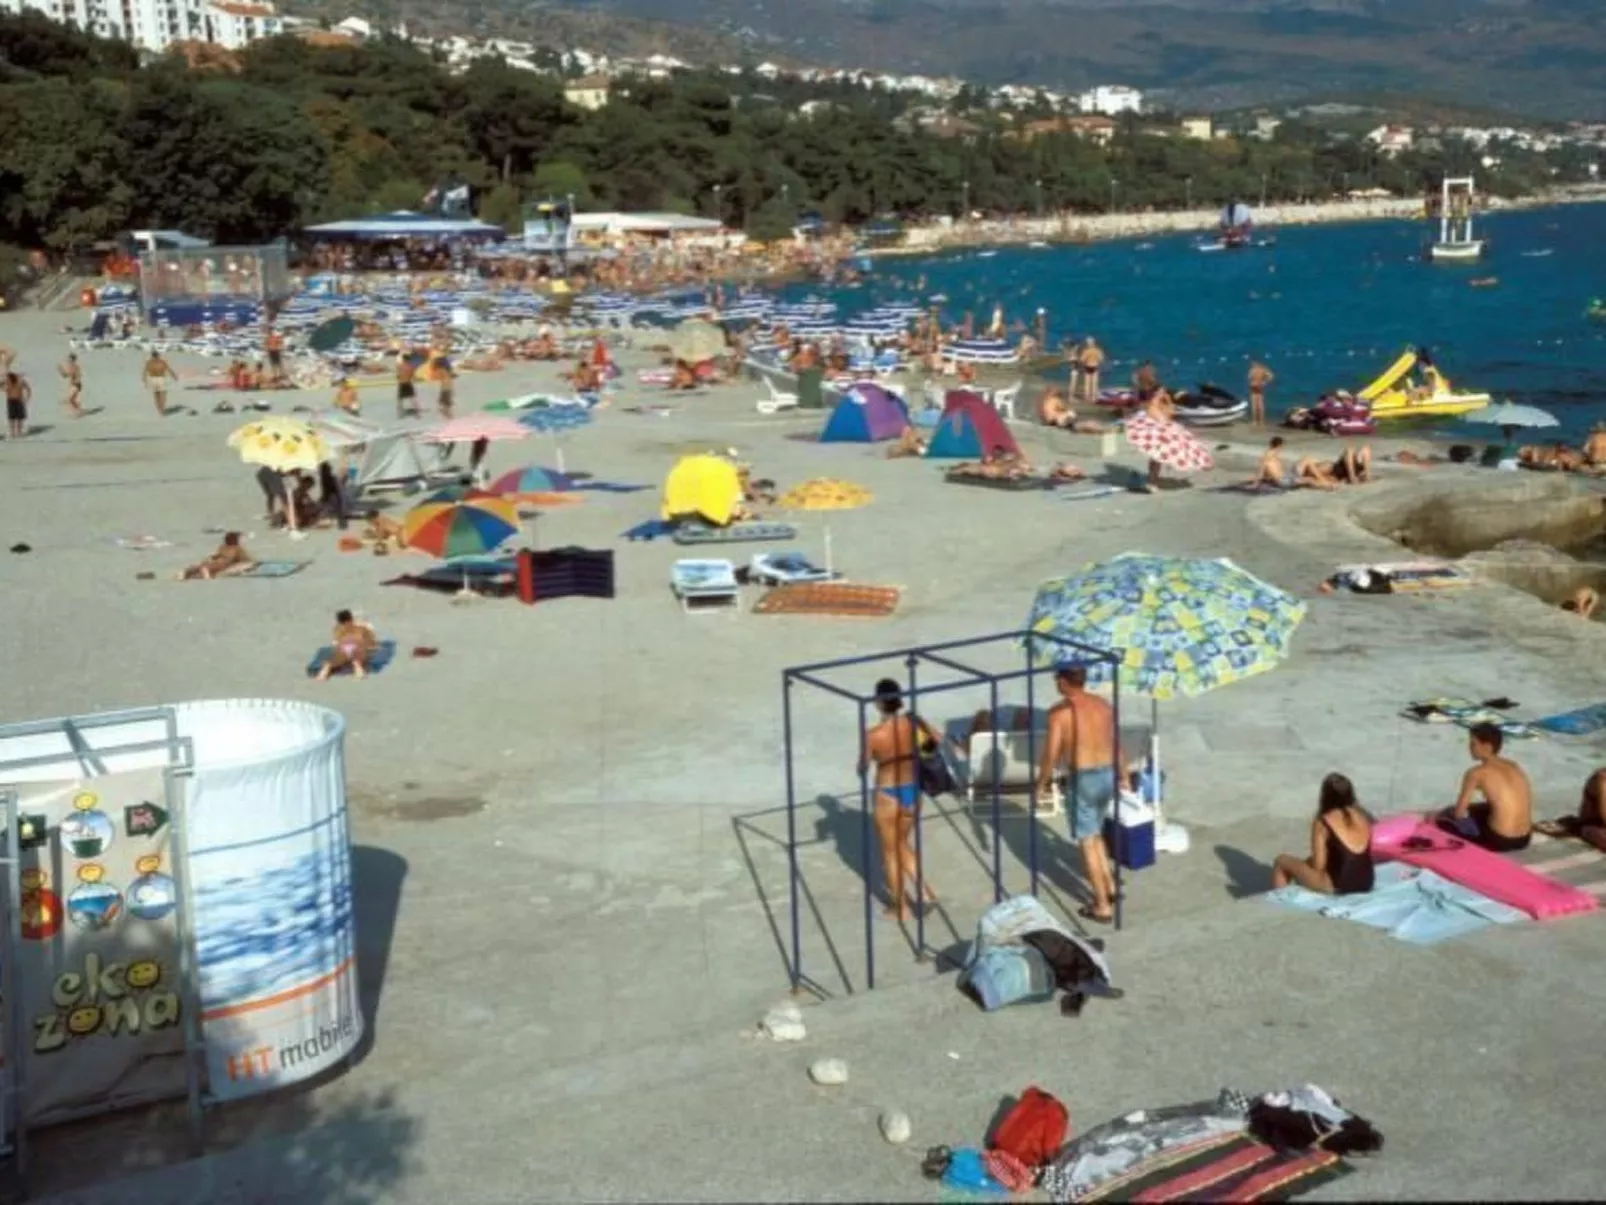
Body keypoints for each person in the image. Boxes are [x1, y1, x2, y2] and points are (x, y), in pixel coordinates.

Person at [1037, 664, 1124, 925]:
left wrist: (1041, 783)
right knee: (1096, 832)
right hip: (1107, 772)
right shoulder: (1103, 705)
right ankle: (1109, 887)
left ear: (1064, 682)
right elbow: (1114, 740)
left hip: (1084, 777)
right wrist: (1124, 774)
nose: (1055, 682)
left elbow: (1051, 753)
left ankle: (1101, 905)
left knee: (1086, 839)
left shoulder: (1060, 713)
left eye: (1056, 678)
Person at [858, 679, 940, 922]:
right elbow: (934, 744)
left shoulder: (873, 734)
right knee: (902, 843)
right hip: (912, 790)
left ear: (879, 702)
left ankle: (900, 907)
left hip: (888, 792)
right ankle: (924, 891)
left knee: (890, 851)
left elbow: (863, 765)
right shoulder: (913, 724)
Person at [1433, 722, 1533, 852]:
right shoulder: (1513, 765)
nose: (1469, 747)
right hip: (1524, 838)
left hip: (1501, 840)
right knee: (1488, 807)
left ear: (1487, 746)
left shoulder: (1476, 773)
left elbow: (1459, 813)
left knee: (1445, 818)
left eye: (1473, 743)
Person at [1271, 773, 1375, 895]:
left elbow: (1318, 866)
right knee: (1307, 863)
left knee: (1282, 861)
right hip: (1366, 882)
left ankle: (1281, 906)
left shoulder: (1323, 821)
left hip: (1339, 885)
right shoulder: (1362, 816)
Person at [316, 609, 379, 681]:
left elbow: (336, 642)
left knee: (330, 664)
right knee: (357, 661)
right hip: (357, 647)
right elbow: (372, 643)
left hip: (345, 648)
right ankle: (359, 672)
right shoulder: (362, 627)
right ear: (351, 618)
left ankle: (322, 676)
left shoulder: (338, 628)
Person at [1253, 436, 1338, 491]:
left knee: (1307, 459)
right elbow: (1261, 471)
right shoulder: (1267, 458)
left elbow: (1268, 472)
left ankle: (1323, 476)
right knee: (1309, 479)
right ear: (1279, 445)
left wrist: (1266, 478)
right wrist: (1255, 484)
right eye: (1282, 446)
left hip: (1288, 475)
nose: (1282, 448)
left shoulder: (1273, 453)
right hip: (1284, 481)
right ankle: (1328, 485)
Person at [176, 531, 256, 580]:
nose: (243, 541)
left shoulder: (223, 547)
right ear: (236, 540)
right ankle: (206, 579)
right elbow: (248, 558)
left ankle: (182, 576)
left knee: (200, 567)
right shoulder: (237, 548)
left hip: (217, 562)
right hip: (222, 563)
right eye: (241, 539)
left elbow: (218, 555)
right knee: (203, 568)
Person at [142, 351, 174, 417]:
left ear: (152, 356)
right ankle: (162, 410)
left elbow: (145, 372)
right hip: (161, 379)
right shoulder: (161, 361)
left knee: (156, 396)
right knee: (162, 395)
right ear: (158, 355)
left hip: (152, 379)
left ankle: (160, 411)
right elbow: (168, 369)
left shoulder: (149, 362)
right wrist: (174, 376)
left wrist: (145, 381)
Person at [3, 370, 30, 439]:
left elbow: (28, 388)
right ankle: (13, 433)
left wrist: (27, 398)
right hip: (10, 400)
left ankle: (19, 432)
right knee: (12, 417)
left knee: (19, 417)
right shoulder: (7, 381)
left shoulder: (20, 381)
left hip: (18, 400)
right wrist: (4, 389)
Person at [1077, 337, 1105, 403]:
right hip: (1095, 366)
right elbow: (1101, 359)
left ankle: (1087, 397)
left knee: (1087, 383)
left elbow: (1082, 360)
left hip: (1088, 366)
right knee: (1095, 383)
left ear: (1088, 343)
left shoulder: (1086, 351)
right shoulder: (1097, 350)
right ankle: (1093, 398)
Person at [1248, 360, 1275, 427]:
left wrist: (1264, 382)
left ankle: (1257, 421)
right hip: (1257, 387)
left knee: (1257, 405)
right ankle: (1259, 421)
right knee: (1258, 405)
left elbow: (1249, 377)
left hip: (1255, 386)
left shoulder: (1255, 370)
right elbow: (1271, 376)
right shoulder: (1262, 369)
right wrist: (1264, 382)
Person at [59, 353, 84, 418]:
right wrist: (61, 370)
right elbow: (65, 375)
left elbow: (68, 375)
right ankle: (78, 411)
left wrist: (61, 370)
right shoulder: (72, 366)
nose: (68, 360)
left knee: (71, 400)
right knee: (72, 400)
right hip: (73, 385)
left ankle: (78, 411)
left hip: (75, 384)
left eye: (70, 359)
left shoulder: (75, 367)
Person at [396, 353, 419, 419]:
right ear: (409, 360)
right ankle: (417, 414)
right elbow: (413, 376)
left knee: (400, 399)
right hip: (408, 383)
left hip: (402, 383)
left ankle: (400, 414)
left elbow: (398, 375)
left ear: (403, 359)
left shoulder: (400, 366)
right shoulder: (411, 366)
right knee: (413, 398)